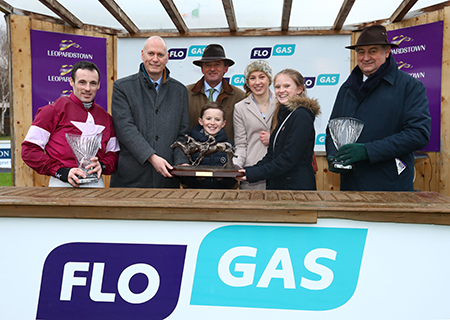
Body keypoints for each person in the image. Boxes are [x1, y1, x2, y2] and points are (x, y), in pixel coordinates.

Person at [325, 24, 431, 191]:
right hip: (351, 186)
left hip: (390, 186)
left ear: (387, 52)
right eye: (361, 52)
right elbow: (333, 128)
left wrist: (367, 151)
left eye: (373, 51)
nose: (366, 57)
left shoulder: (410, 86)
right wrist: (333, 156)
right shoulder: (347, 88)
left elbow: (418, 134)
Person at [21, 61, 119, 188]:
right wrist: (61, 171)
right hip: (62, 184)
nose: (87, 89)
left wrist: (103, 165)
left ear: (99, 85)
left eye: (93, 83)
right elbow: (29, 150)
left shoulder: (106, 118)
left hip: (96, 185)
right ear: (71, 82)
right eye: (82, 82)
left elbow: (114, 154)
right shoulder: (52, 111)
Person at [110, 36, 189, 188]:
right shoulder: (122, 87)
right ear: (142, 54)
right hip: (131, 179)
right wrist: (151, 157)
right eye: (151, 54)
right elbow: (125, 129)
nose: (155, 59)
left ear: (167, 58)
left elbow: (183, 134)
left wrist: (181, 162)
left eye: (160, 55)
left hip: (167, 178)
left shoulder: (180, 91)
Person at [237, 69, 320, 190]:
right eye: (277, 87)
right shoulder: (283, 114)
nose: (281, 91)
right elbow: (272, 155)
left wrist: (253, 173)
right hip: (280, 186)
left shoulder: (301, 115)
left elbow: (287, 159)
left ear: (299, 89)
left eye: (287, 86)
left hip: (297, 190)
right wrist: (248, 171)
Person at [187, 44, 245, 143]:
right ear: (202, 69)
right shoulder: (186, 94)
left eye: (217, 64)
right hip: (194, 156)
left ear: (225, 69)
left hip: (227, 156)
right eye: (208, 65)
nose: (212, 69)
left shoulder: (239, 97)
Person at [233, 60, 277, 190]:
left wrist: (273, 139)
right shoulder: (240, 108)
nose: (257, 82)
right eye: (252, 78)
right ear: (247, 82)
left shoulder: (283, 103)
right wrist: (236, 166)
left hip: (279, 169)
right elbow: (241, 144)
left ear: (269, 79)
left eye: (262, 77)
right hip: (252, 172)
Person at [181, 102, 237, 189]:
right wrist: (196, 178)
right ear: (201, 121)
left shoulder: (229, 146)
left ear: (223, 123)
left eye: (217, 120)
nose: (212, 123)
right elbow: (183, 176)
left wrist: (223, 179)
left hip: (223, 195)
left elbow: (234, 178)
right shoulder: (191, 145)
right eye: (208, 118)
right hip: (195, 195)